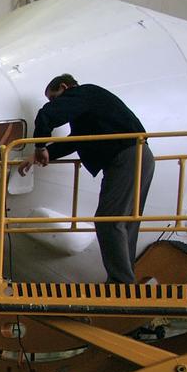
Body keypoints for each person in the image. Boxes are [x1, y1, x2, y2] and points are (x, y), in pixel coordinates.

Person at [18, 74, 154, 284]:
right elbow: (76, 141)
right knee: (125, 223)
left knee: (108, 220)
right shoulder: (91, 105)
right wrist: (39, 156)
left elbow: (48, 114)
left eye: (54, 97)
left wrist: (40, 145)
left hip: (126, 157)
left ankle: (121, 283)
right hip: (140, 155)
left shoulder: (82, 93)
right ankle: (125, 280)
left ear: (65, 87)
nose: (55, 103)